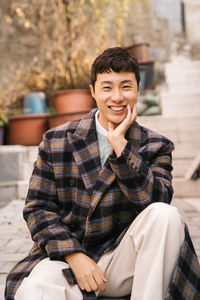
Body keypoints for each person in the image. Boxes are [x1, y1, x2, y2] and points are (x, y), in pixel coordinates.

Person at [5, 47, 200, 300]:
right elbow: (38, 208)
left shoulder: (156, 145)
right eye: (107, 87)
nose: (117, 97)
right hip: (67, 259)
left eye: (126, 87)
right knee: (34, 289)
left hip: (124, 261)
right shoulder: (57, 140)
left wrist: (123, 149)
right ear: (93, 92)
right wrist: (74, 255)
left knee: (166, 215)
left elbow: (155, 205)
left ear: (138, 91)